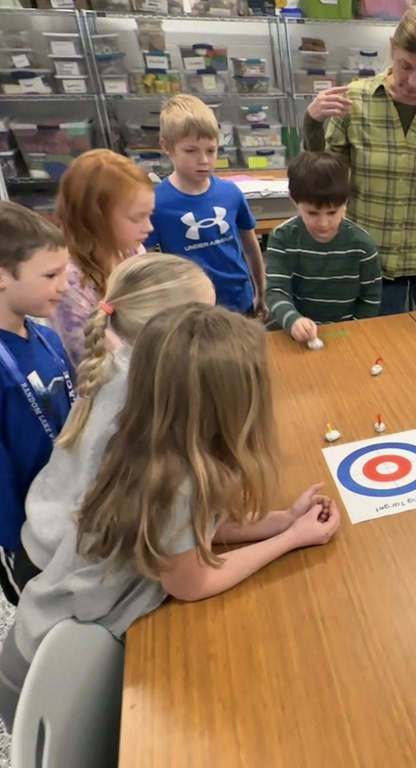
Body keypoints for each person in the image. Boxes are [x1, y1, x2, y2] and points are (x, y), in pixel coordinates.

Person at [0, 303, 342, 726]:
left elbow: (190, 534)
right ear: (229, 403)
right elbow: (193, 582)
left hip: (47, 638)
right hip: (51, 679)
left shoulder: (150, 436)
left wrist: (282, 519)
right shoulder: (178, 480)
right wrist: (290, 540)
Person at [16, 254, 216, 590]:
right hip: (62, 572)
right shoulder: (146, 402)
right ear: (172, 334)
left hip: (50, 538)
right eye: (207, 318)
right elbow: (184, 573)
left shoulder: (121, 365)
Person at [303, 6, 416, 313]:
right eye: (405, 66)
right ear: (392, 49)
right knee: (378, 350)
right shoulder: (355, 101)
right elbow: (324, 182)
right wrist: (312, 123)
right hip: (372, 256)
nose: (413, 81)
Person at [0, 203, 74, 606]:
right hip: (24, 535)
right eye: (50, 275)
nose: (64, 285)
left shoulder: (47, 338)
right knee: (40, 615)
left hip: (64, 510)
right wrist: (15, 541)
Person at [146, 94, 265, 316]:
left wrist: (261, 290)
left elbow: (250, 245)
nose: (204, 160)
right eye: (191, 151)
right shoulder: (155, 203)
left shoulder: (230, 193)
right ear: (166, 146)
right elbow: (149, 263)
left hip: (240, 301)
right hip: (192, 309)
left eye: (211, 150)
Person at [52, 149, 154, 368]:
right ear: (95, 218)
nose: (149, 227)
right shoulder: (67, 283)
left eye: (149, 215)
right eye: (137, 218)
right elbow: (89, 360)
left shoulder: (132, 251)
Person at [265, 152, 382, 343]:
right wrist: (293, 321)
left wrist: (355, 331)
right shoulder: (282, 238)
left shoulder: (362, 245)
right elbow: (276, 291)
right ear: (294, 201)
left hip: (347, 333)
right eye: (312, 213)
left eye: (332, 212)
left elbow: (370, 299)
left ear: (346, 202)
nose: (324, 223)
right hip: (296, 334)